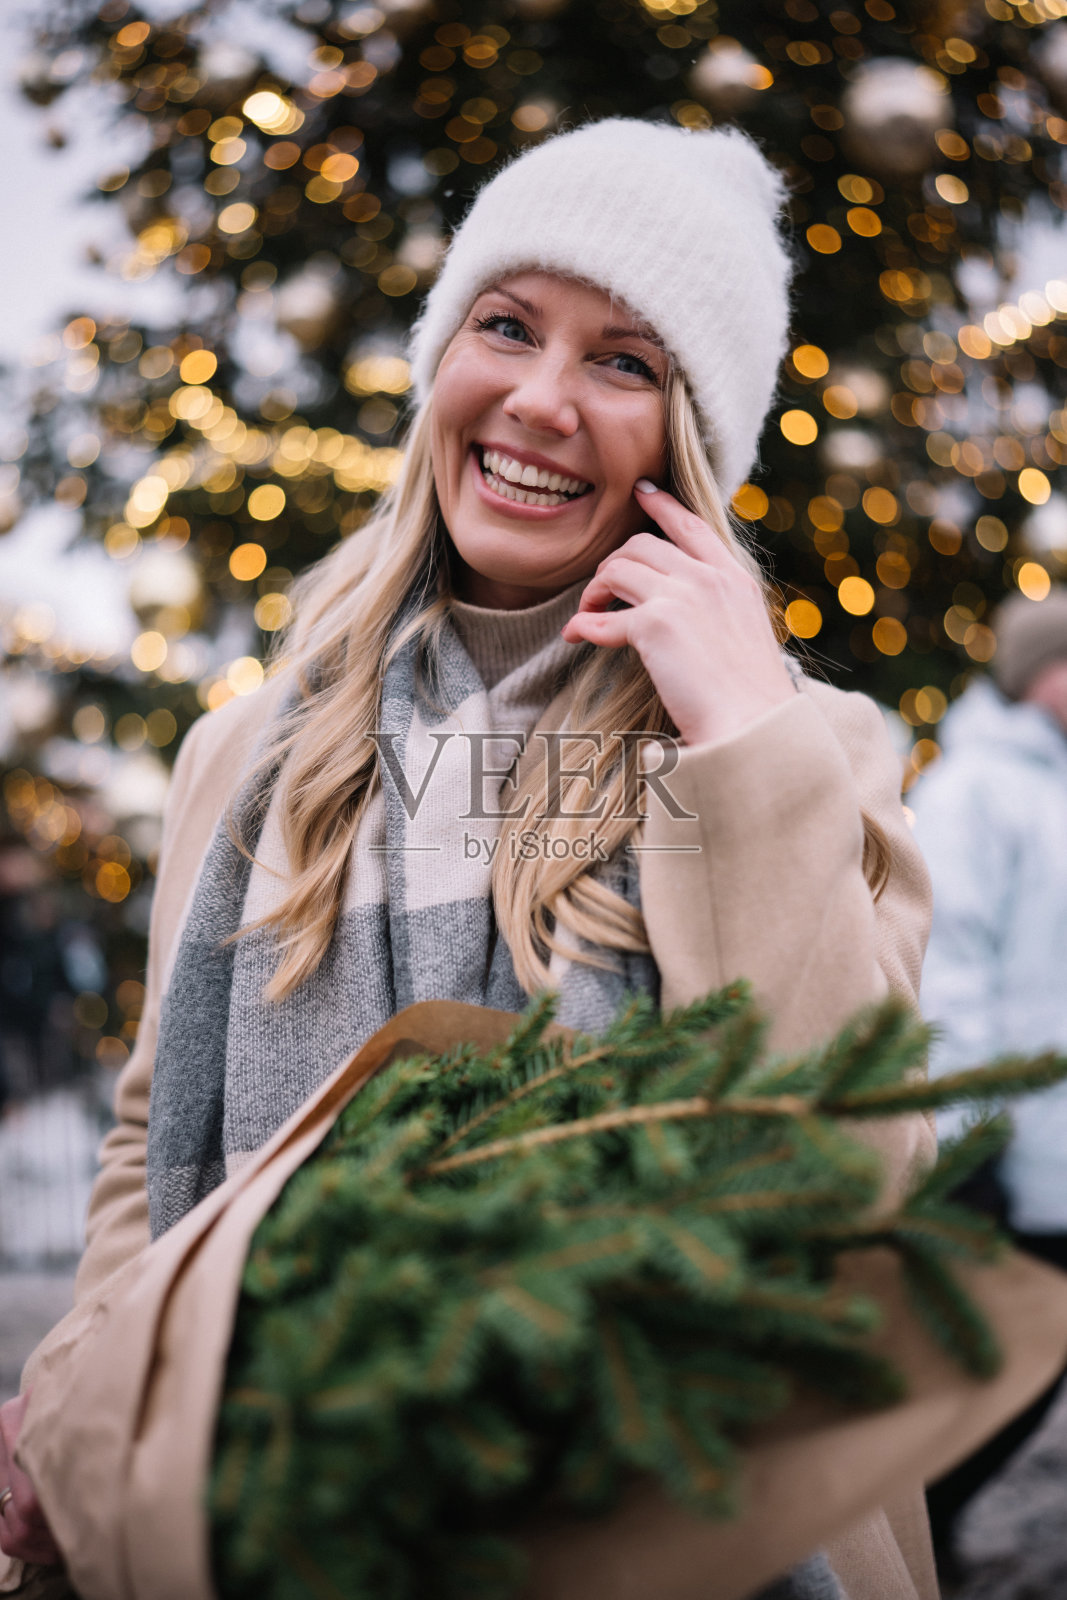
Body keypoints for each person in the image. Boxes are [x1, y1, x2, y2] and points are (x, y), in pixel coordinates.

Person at [0, 119, 936, 1599]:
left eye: (623, 361)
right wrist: (77, 1385)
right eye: (505, 327)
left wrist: (742, 740)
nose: (541, 401)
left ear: (690, 435)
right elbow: (147, 1150)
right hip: (254, 1518)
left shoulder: (790, 745)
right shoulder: (244, 761)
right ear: (444, 360)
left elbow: (854, 1180)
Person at [911, 588, 1067, 1571]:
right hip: (1009, 1158)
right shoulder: (974, 790)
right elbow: (941, 972)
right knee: (989, 1386)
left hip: (1056, 1153)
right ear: (1040, 676)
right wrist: (962, 1138)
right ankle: (914, 1551)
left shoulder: (1052, 787)